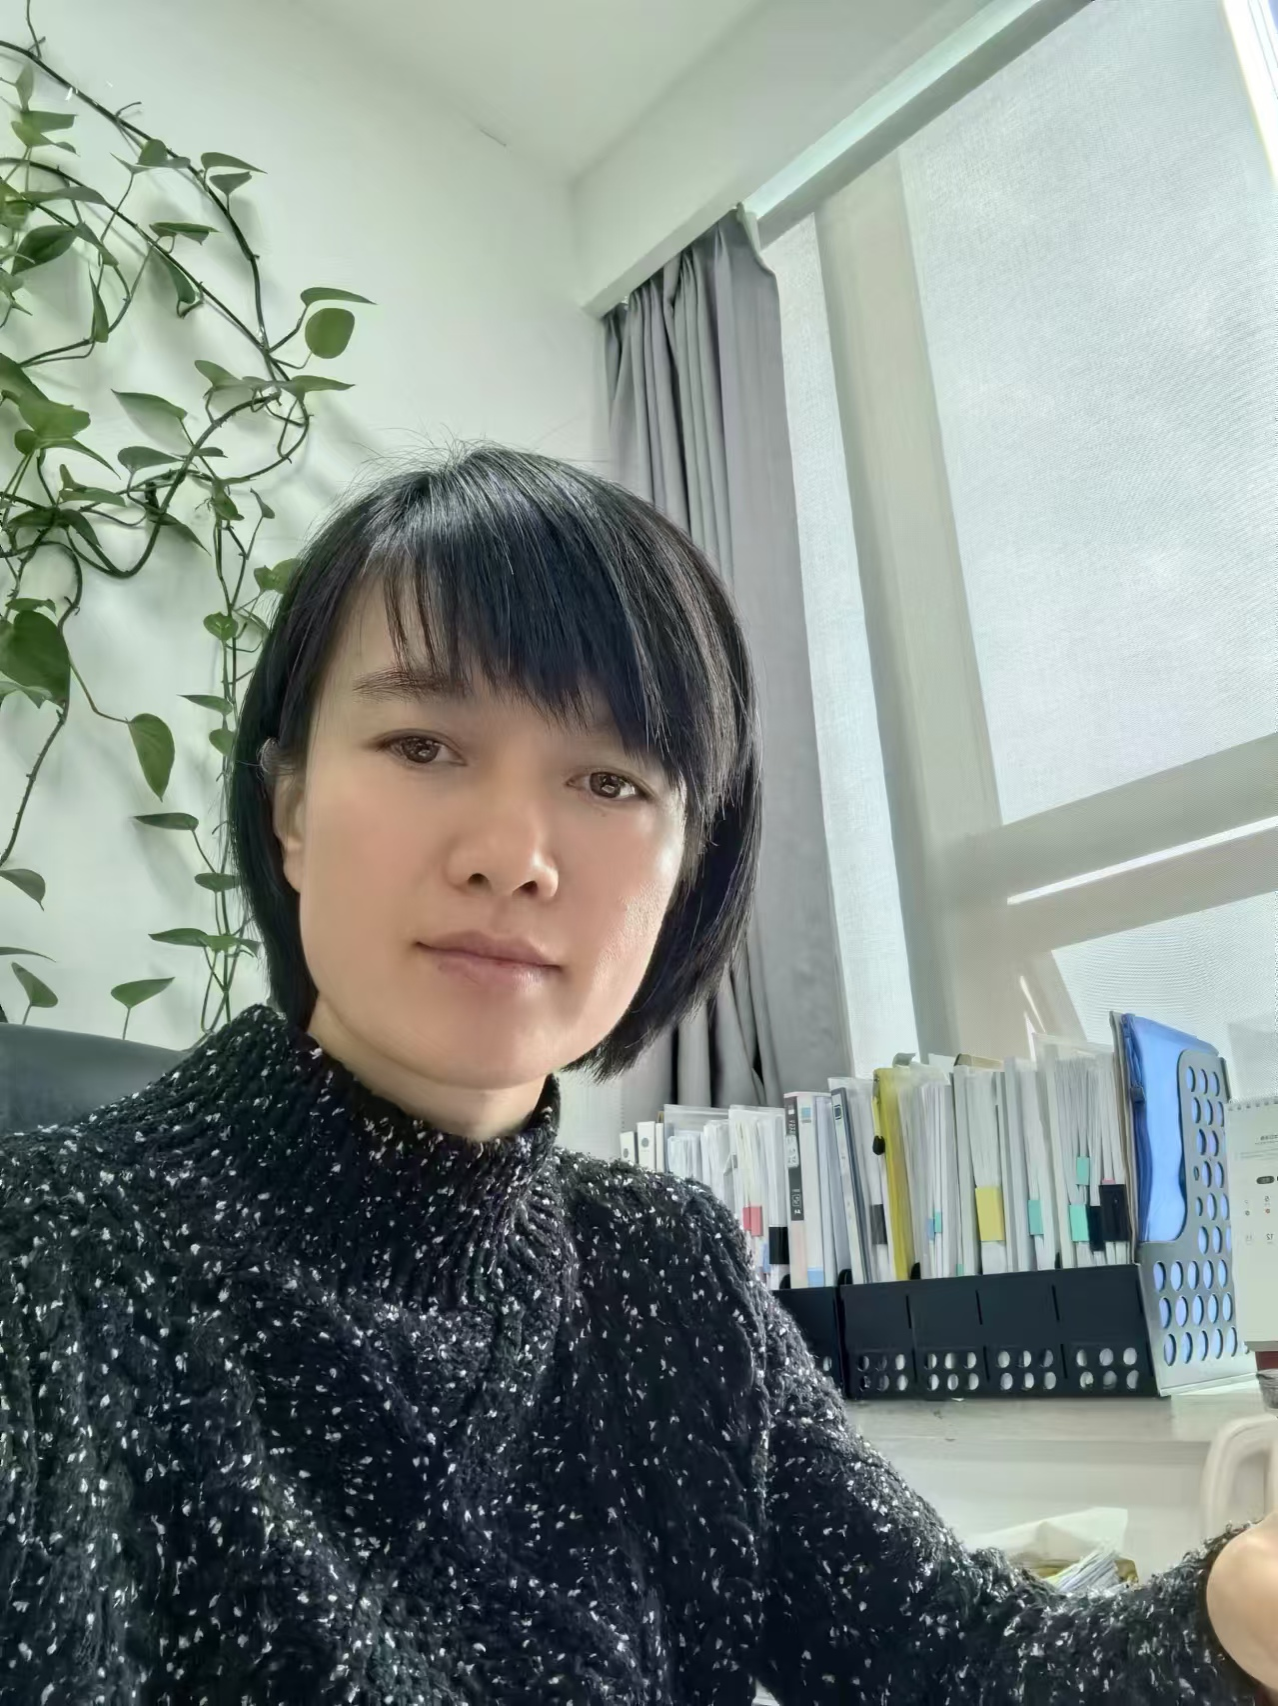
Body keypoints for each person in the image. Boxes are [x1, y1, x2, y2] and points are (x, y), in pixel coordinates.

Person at [0, 444, 1275, 1705]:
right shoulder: (48, 1258)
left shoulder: (669, 1268)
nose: (512, 854)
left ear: (687, 868)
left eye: (609, 779)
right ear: (288, 807)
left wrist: (1238, 1602)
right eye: (422, 744)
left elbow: (959, 1659)